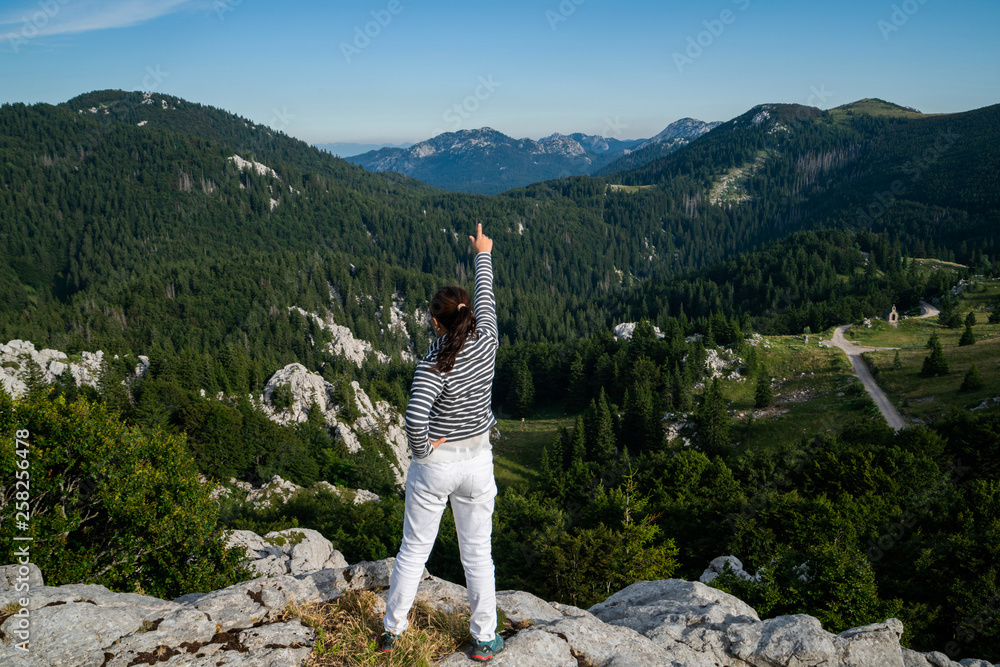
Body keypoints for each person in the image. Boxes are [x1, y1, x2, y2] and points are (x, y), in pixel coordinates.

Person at [381, 223, 504, 662]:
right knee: (478, 556)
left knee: (414, 549)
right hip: (477, 461)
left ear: (436, 322)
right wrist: (482, 254)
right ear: (468, 314)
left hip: (437, 465)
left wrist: (423, 451)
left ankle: (393, 630)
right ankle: (485, 639)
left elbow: (415, 416)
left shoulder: (434, 360)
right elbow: (485, 299)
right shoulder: (488, 340)